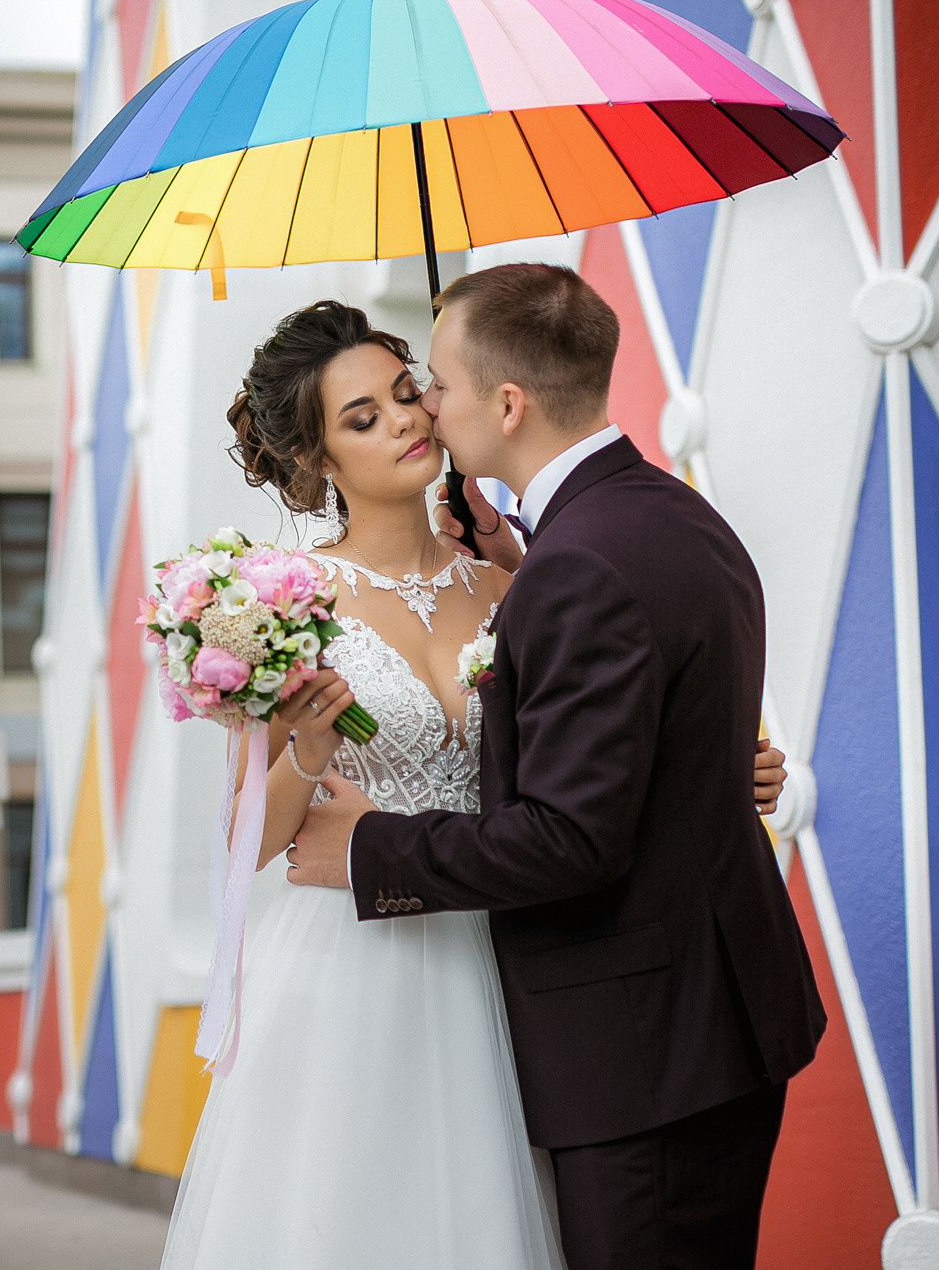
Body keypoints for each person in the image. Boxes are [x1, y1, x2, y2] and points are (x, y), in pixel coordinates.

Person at [158, 298, 791, 1269]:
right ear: (317, 460)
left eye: (408, 392)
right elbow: (256, 833)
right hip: (347, 961)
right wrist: (310, 754)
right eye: (361, 417)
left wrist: (700, 772)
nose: (405, 421)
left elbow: (584, 747)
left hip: (508, 949)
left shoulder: (509, 582)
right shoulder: (285, 601)